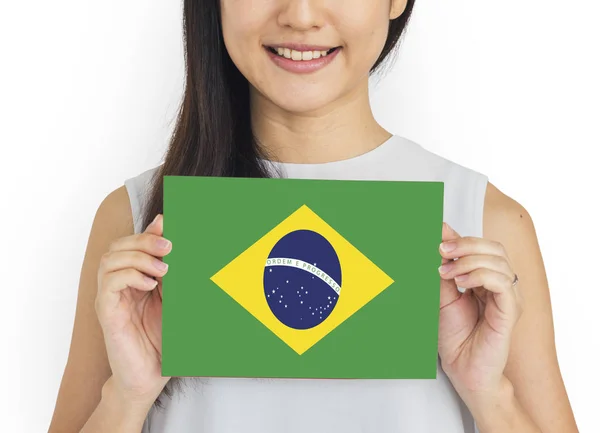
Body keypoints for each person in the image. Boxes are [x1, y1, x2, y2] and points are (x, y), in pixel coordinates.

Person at [48, 1, 578, 432]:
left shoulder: (486, 222)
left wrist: (490, 395)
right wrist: (128, 394)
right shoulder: (138, 218)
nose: (301, 15)